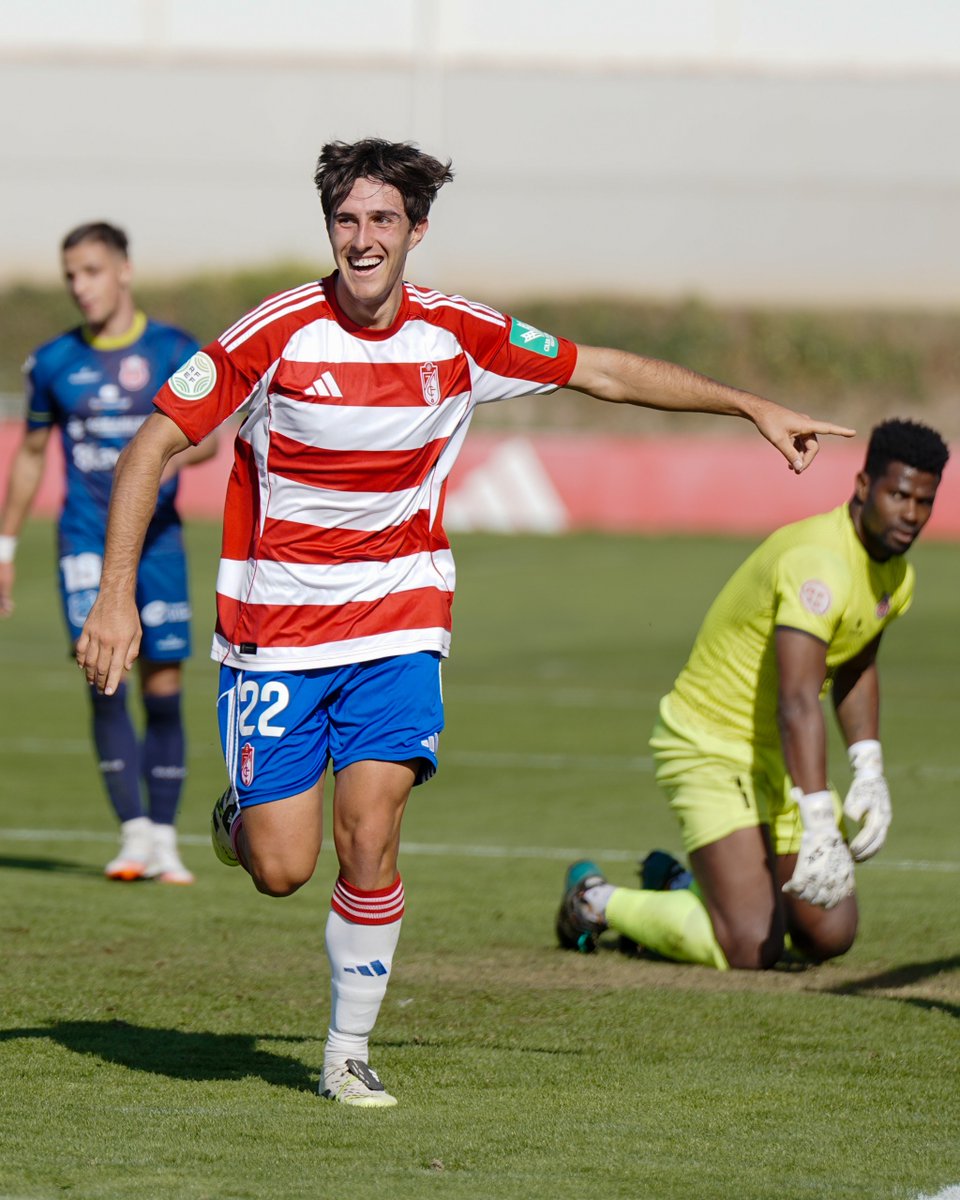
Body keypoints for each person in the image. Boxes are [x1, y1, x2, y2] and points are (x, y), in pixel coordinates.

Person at [75, 138, 854, 1106]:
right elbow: (152, 443)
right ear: (330, 230)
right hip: (274, 634)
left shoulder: (458, 332)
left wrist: (747, 405)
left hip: (399, 628)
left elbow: (599, 371)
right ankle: (240, 813)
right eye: (347, 222)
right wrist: (116, 592)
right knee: (281, 867)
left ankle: (347, 1050)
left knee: (373, 835)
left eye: (383, 222)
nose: (364, 241)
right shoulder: (273, 334)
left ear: (416, 231)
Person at [556, 418, 949, 971]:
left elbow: (856, 661)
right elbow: (796, 700)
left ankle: (682, 883)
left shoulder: (895, 576)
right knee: (750, 946)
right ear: (863, 486)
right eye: (898, 494)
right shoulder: (820, 565)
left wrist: (869, 767)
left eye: (924, 501)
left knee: (829, 933)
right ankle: (595, 901)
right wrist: (817, 815)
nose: (910, 514)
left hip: (776, 755)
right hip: (709, 744)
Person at [0, 221, 215, 884]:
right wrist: (5, 546)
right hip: (84, 542)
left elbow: (208, 438)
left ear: (123, 270)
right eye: (71, 275)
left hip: (159, 540)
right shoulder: (53, 363)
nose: (80, 286)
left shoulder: (174, 350)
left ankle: (164, 837)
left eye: (91, 271)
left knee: (164, 684)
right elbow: (32, 457)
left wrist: (159, 462)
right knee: (102, 673)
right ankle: (131, 836)